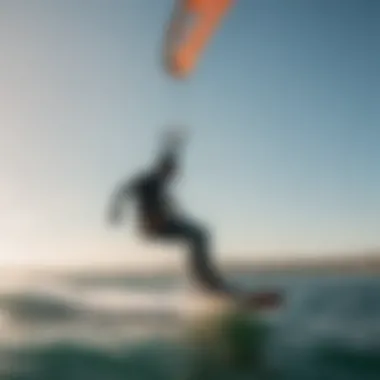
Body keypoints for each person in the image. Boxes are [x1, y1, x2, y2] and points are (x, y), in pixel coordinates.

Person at [108, 130, 232, 296]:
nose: (173, 176)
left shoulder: (160, 184)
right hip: (152, 228)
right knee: (197, 235)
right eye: (171, 171)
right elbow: (123, 190)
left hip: (164, 224)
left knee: (200, 234)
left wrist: (175, 145)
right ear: (164, 169)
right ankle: (205, 281)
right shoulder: (148, 180)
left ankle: (208, 279)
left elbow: (169, 202)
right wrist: (116, 211)